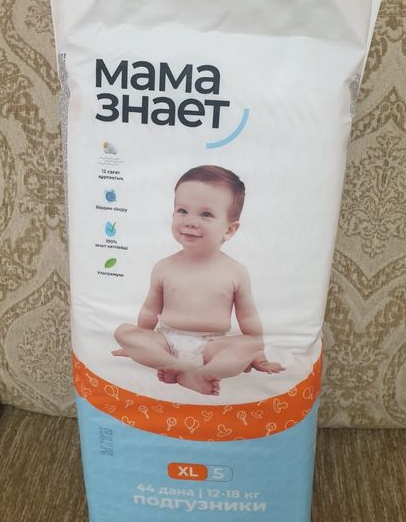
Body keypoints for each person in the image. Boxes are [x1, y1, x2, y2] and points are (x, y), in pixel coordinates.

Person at [112, 165, 284, 395]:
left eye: (206, 214)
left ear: (229, 230)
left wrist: (257, 354)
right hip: (166, 341)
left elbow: (248, 317)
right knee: (124, 331)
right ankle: (179, 368)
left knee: (250, 343)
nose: (191, 221)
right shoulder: (163, 267)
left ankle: (201, 373)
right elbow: (149, 310)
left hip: (212, 347)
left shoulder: (235, 272)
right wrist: (140, 344)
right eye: (183, 211)